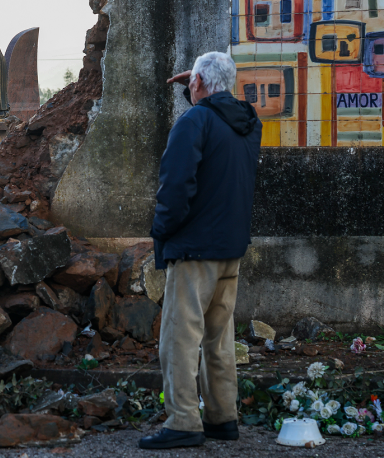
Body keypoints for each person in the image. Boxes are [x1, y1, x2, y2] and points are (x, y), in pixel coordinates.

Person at [139, 52, 262, 450]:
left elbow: (176, 186)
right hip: (230, 249)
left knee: (179, 338)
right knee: (218, 339)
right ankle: (222, 418)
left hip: (194, 250)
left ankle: (183, 422)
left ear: (198, 83)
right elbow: (217, 163)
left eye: (190, 82)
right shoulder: (247, 124)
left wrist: (161, 230)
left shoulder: (194, 121)